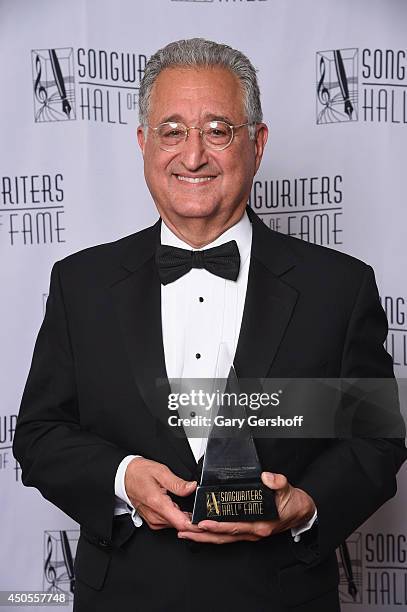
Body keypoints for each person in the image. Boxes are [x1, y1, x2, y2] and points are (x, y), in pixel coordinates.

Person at [14, 38, 406, 612]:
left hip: (281, 597)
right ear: (144, 143)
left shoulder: (340, 288)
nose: (193, 155)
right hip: (126, 596)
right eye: (172, 131)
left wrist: (307, 504)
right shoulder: (81, 283)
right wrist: (122, 478)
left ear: (258, 143)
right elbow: (40, 433)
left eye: (218, 130)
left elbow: (377, 439)